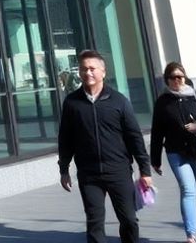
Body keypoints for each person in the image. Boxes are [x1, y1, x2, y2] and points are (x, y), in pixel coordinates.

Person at [58, 49, 153, 243]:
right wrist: (64, 169)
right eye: (84, 69)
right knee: (94, 222)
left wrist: (145, 170)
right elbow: (65, 138)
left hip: (118, 171)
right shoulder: (72, 103)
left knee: (129, 220)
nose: (88, 73)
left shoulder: (119, 101)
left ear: (103, 71)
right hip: (89, 174)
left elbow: (134, 137)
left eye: (92, 68)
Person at [150, 62, 196, 243]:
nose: (177, 80)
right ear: (167, 80)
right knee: (187, 190)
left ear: (185, 77)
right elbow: (157, 132)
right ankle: (191, 236)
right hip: (177, 152)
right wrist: (155, 159)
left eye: (180, 77)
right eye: (173, 77)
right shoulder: (163, 101)